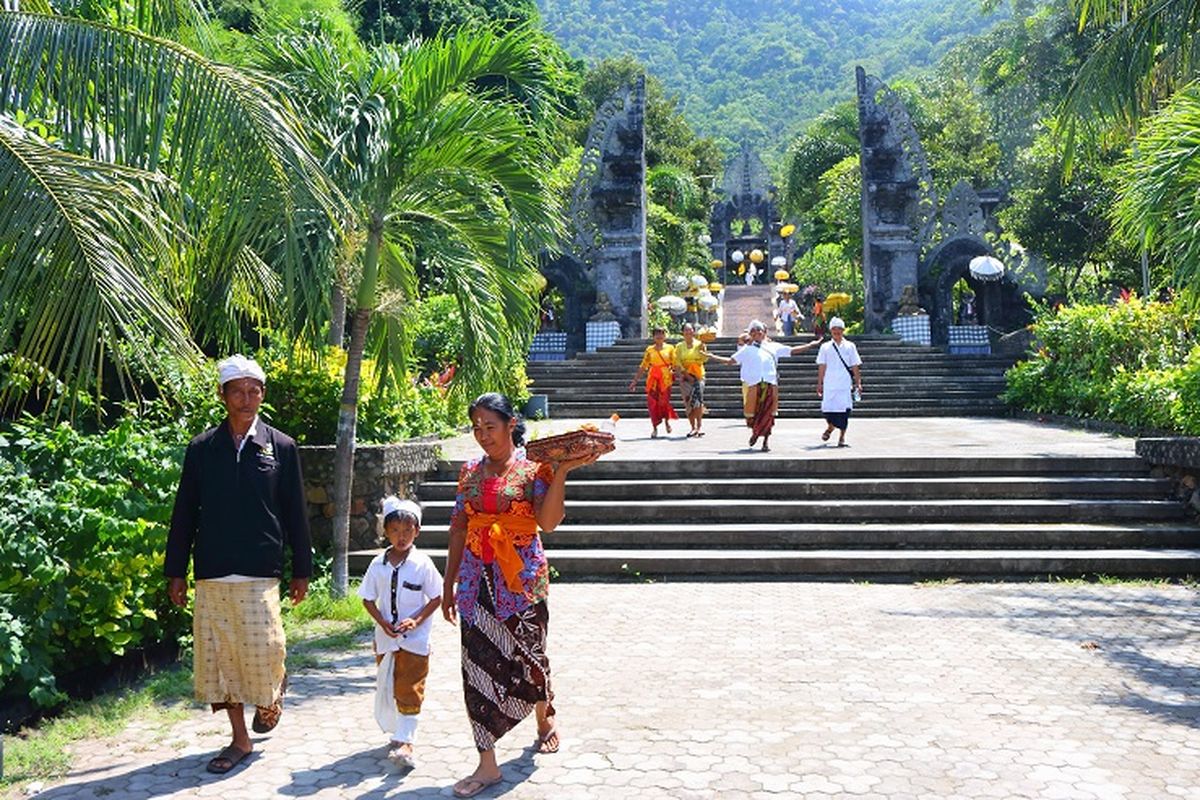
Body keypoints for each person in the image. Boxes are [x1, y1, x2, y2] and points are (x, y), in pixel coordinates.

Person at [441, 393, 599, 798]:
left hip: (522, 580)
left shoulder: (534, 471)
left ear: (511, 424)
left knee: (531, 657)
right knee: (475, 665)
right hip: (477, 581)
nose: (482, 435)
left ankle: (544, 716)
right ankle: (487, 764)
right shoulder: (469, 472)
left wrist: (560, 472)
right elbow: (459, 527)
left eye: (489, 426)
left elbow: (548, 524)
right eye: (476, 427)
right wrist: (449, 584)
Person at [165, 354, 311, 775]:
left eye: (254, 390)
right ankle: (239, 740)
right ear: (223, 395)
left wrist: (301, 569)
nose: (246, 399)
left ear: (262, 394)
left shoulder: (280, 446)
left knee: (268, 649)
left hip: (259, 568)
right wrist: (176, 570)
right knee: (220, 659)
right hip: (212, 568)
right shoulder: (202, 449)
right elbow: (185, 512)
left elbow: (295, 513)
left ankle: (271, 692)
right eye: (237, 391)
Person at [358, 496, 442, 769]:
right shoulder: (377, 565)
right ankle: (399, 733)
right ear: (386, 532)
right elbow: (367, 598)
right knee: (391, 684)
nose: (401, 536)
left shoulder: (423, 564)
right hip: (385, 639)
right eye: (395, 531)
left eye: (407, 531)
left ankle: (407, 741)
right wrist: (381, 622)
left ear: (417, 531)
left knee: (411, 686)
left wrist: (416, 621)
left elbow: (436, 597)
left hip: (415, 641)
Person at [725, 321, 821, 452]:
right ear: (750, 334)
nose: (757, 333)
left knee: (768, 414)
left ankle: (765, 441)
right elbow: (731, 361)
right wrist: (711, 356)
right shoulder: (746, 349)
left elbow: (791, 351)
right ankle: (755, 433)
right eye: (753, 331)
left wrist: (811, 345)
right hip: (754, 385)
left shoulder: (773, 347)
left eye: (759, 330)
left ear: (764, 333)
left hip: (770, 384)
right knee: (753, 413)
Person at [816, 316, 864, 447]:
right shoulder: (825, 347)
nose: (837, 332)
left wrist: (858, 383)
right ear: (831, 331)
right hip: (830, 383)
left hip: (844, 383)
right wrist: (820, 383)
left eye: (839, 330)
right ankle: (830, 427)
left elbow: (855, 365)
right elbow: (822, 365)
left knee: (844, 411)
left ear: (843, 331)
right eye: (834, 330)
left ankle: (842, 436)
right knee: (828, 411)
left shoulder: (850, 346)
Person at [628, 326, 679, 438]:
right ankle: (654, 428)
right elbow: (643, 366)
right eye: (657, 334)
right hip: (653, 379)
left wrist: (678, 373)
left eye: (661, 333)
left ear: (665, 336)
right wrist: (635, 381)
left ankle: (666, 422)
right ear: (653, 336)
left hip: (665, 379)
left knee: (664, 402)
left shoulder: (670, 348)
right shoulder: (649, 350)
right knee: (652, 403)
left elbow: (675, 363)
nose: (659, 336)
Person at [673, 322, 721, 438]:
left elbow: (704, 359)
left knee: (698, 402)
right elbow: (677, 361)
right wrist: (684, 373)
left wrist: (703, 351)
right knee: (688, 402)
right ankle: (692, 427)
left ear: (693, 331)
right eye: (686, 330)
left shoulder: (699, 344)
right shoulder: (679, 346)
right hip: (685, 377)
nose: (688, 332)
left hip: (698, 375)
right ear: (682, 333)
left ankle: (699, 427)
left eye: (690, 330)